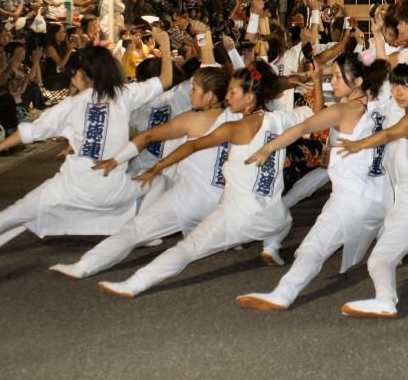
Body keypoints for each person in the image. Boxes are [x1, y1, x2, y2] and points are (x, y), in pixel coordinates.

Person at [97, 61, 314, 298]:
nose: (227, 97)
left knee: (187, 249)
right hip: (272, 217)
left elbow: (193, 145)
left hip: (237, 217)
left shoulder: (235, 127)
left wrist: (157, 166)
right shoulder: (281, 119)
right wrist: (318, 81)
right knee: (284, 220)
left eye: (232, 93)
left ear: (250, 98)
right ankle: (272, 245)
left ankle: (135, 283)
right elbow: (315, 112)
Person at [0, 32, 173, 256]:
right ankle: (142, 232)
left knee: (12, 215)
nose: (71, 76)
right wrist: (164, 44)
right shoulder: (124, 94)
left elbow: (29, 132)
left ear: (83, 74)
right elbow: (165, 80)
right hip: (113, 191)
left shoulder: (71, 104)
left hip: (71, 188)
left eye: (73, 72)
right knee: (157, 179)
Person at [235, 52, 392, 311]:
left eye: (339, 78)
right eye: (333, 77)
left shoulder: (343, 109)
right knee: (383, 255)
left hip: (351, 197)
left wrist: (268, 148)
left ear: (358, 81)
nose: (334, 83)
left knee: (313, 246)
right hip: (379, 196)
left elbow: (301, 128)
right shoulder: (380, 103)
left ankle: (283, 294)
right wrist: (319, 74)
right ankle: (387, 298)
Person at [48, 66, 235, 279]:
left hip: (190, 198)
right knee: (191, 238)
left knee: (134, 230)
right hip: (222, 202)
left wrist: (116, 160)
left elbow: (147, 137)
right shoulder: (239, 119)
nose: (190, 93)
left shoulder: (192, 120)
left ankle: (86, 265)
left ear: (209, 96)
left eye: (194, 89)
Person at [336, 47, 408, 318]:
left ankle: (386, 300)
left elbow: (390, 133)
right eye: (396, 85)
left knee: (379, 260)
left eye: (407, 85)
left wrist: (357, 144)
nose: (399, 91)